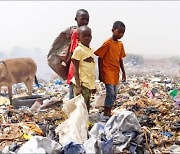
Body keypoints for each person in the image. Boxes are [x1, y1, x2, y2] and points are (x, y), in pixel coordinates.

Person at [94, 21, 126, 117]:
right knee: (110, 93)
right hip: (107, 71)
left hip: (116, 72)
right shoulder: (107, 43)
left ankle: (109, 110)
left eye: (122, 33)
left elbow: (120, 59)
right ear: (113, 30)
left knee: (115, 94)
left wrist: (124, 73)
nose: (120, 34)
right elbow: (100, 57)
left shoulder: (120, 45)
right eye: (119, 32)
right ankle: (105, 113)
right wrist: (101, 74)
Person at [67, 9, 90, 100]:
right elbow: (74, 51)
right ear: (76, 19)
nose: (85, 21)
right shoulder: (77, 32)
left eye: (87, 19)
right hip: (76, 67)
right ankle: (73, 113)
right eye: (82, 19)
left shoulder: (84, 32)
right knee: (74, 93)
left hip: (81, 68)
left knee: (80, 94)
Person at [71, 26, 95, 112]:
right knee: (80, 108)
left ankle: (85, 123)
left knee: (87, 106)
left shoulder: (91, 50)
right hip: (81, 84)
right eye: (84, 35)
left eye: (89, 35)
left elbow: (90, 70)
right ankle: (79, 124)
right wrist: (78, 87)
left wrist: (93, 86)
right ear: (78, 37)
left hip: (88, 84)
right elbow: (75, 70)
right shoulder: (78, 50)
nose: (87, 38)